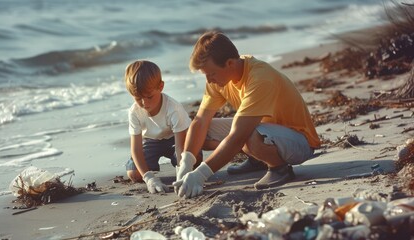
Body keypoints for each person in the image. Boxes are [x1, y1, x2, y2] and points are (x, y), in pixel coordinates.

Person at [173, 31, 321, 198]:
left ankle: (279, 168)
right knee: (204, 130)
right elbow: (200, 120)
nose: (209, 81)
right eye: (206, 75)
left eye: (211, 74)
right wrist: (186, 163)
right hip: (266, 132)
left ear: (229, 63)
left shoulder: (260, 77)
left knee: (247, 134)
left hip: (299, 142)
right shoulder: (219, 79)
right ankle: (258, 160)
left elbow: (238, 135)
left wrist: (200, 175)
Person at [124, 60, 195, 194]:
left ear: (161, 87)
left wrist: (182, 173)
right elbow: (136, 149)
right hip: (151, 141)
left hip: (175, 139)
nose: (144, 103)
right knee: (134, 174)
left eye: (149, 96)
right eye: (138, 98)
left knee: (193, 162)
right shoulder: (134, 112)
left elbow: (180, 145)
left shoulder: (173, 108)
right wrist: (149, 178)